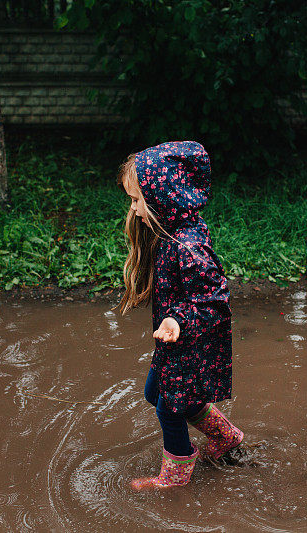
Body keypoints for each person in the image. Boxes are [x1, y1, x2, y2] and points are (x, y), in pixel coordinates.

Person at [114, 140, 244, 491]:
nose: (134, 208)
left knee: (168, 408)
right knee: (154, 392)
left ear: (162, 199)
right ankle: (226, 436)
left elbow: (214, 301)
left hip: (188, 342)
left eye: (137, 199)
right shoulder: (171, 232)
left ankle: (174, 478)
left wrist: (177, 321)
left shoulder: (187, 246)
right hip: (176, 344)